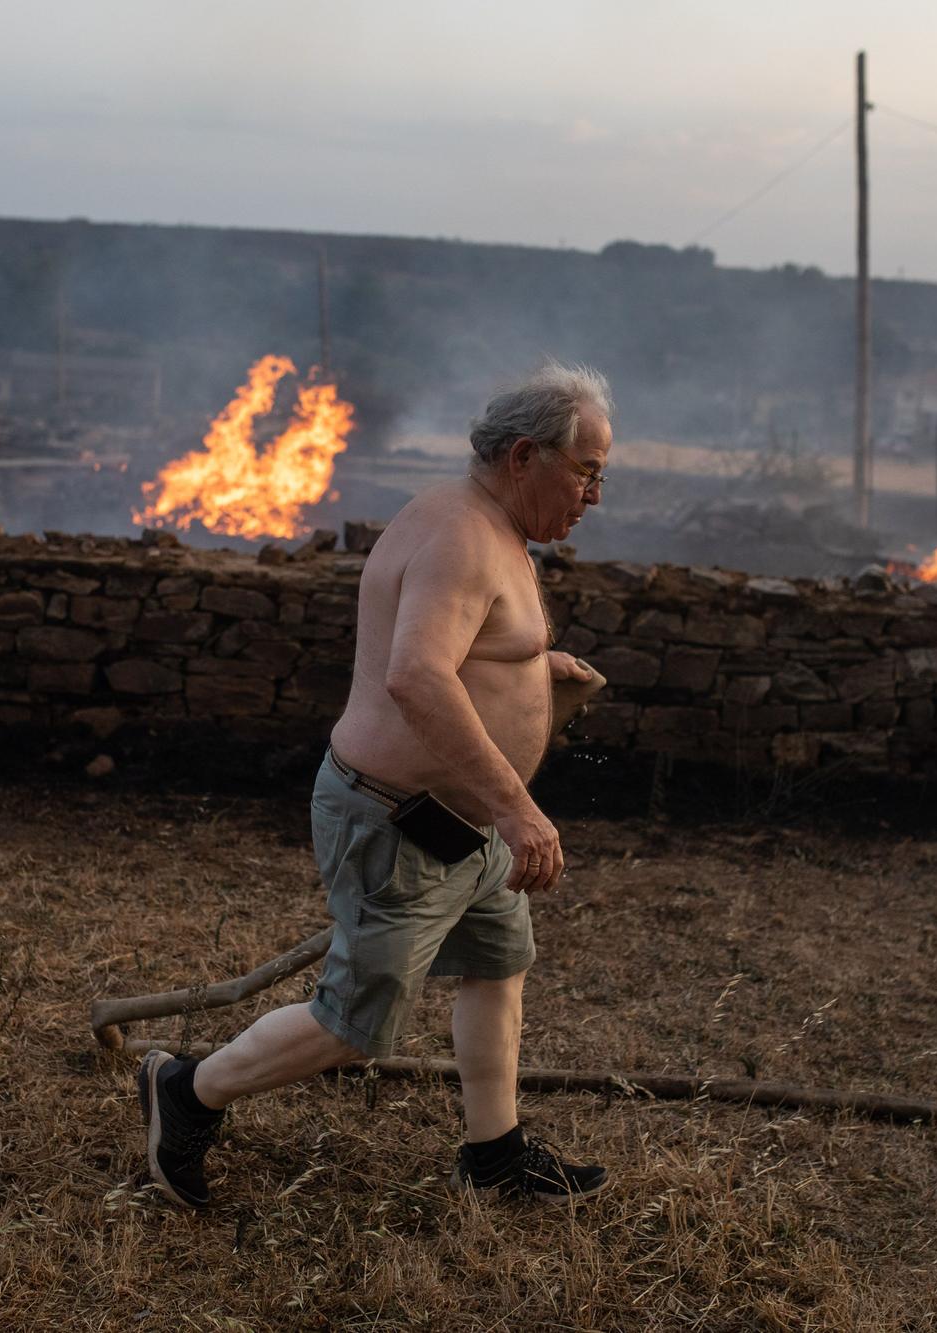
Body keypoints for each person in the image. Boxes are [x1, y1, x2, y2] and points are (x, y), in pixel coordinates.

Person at [137, 361, 615, 1208]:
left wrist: (538, 672)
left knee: (500, 961)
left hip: (460, 828)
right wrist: (516, 805)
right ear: (522, 455)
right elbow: (418, 678)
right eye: (585, 472)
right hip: (401, 823)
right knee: (356, 1021)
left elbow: (468, 648)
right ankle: (187, 1090)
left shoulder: (481, 522)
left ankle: (495, 1153)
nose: (595, 495)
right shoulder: (462, 538)